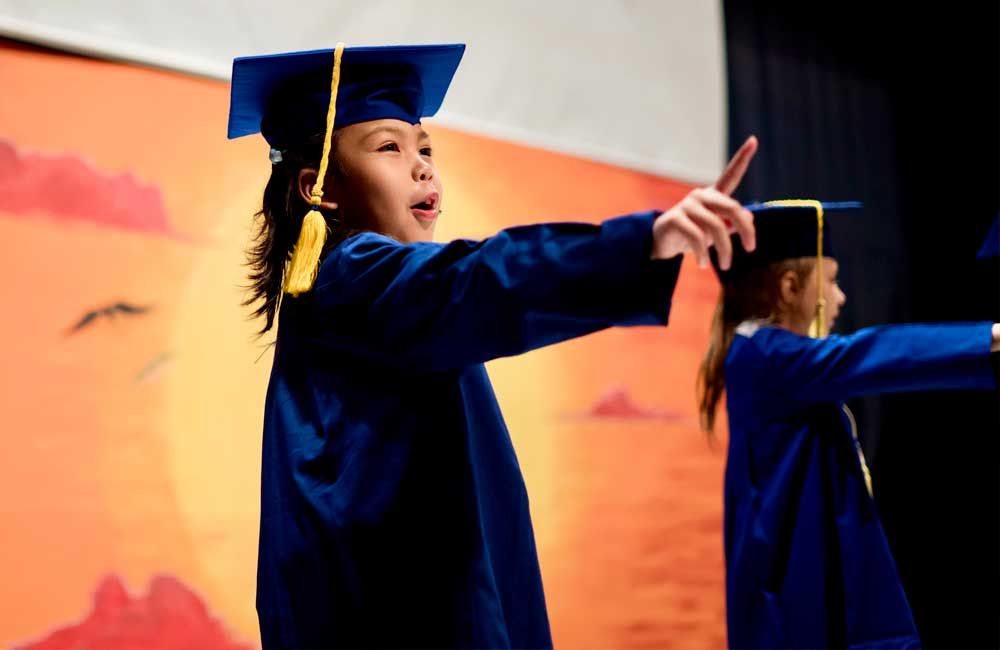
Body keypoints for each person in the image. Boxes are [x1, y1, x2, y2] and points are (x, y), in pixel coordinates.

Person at [228, 42, 758, 648]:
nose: (423, 167)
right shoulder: (354, 279)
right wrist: (643, 242)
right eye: (388, 148)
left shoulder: (359, 300)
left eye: (425, 148)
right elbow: (486, 277)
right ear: (317, 188)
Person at [697, 199, 1000, 648]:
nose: (840, 297)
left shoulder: (771, 361)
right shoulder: (764, 357)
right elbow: (869, 353)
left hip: (814, 574)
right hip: (792, 600)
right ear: (788, 288)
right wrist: (989, 337)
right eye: (832, 281)